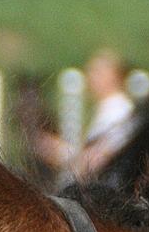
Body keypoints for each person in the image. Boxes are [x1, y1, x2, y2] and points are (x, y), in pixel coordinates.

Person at [35, 49, 136, 180]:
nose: (90, 77)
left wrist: (60, 153)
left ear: (113, 77)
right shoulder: (107, 109)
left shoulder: (119, 111)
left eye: (96, 72)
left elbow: (102, 158)